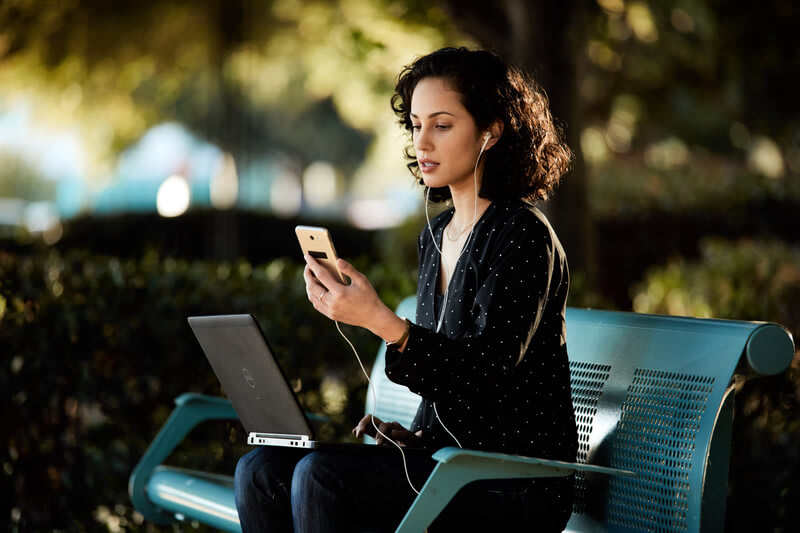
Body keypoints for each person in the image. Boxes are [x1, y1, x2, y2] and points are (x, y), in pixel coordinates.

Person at [234, 47, 577, 532]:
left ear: (491, 132)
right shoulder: (435, 236)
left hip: (512, 483)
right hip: (448, 462)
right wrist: (415, 438)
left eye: (442, 124)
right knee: (261, 470)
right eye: (416, 125)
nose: (423, 142)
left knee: (322, 478)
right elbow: (452, 381)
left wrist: (382, 322)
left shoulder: (522, 233)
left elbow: (488, 372)